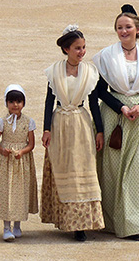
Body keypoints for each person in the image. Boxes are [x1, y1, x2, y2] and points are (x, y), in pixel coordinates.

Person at [93, 4, 139, 240]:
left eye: (128, 27)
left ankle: (135, 223)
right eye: (119, 27)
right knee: (114, 169)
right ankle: (113, 222)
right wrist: (121, 107)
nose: (123, 31)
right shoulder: (105, 56)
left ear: (138, 28)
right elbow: (100, 90)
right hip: (115, 116)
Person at [40, 26, 104, 242]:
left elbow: (94, 103)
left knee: (83, 168)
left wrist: (100, 130)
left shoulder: (90, 72)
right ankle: (64, 220)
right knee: (63, 166)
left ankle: (82, 225)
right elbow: (49, 101)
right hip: (60, 123)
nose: (82, 52)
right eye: (77, 48)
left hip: (81, 123)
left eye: (84, 47)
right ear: (66, 49)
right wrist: (46, 129)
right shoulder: (54, 71)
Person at [0, 86, 38, 241]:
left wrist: (22, 152)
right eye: (12, 101)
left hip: (22, 162)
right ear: (6, 103)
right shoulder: (2, 122)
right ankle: (6, 227)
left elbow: (31, 144)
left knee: (20, 192)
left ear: (23, 103)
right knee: (6, 193)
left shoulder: (29, 122)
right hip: (5, 162)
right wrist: (3, 150)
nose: (15, 105)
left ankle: (17, 225)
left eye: (19, 101)